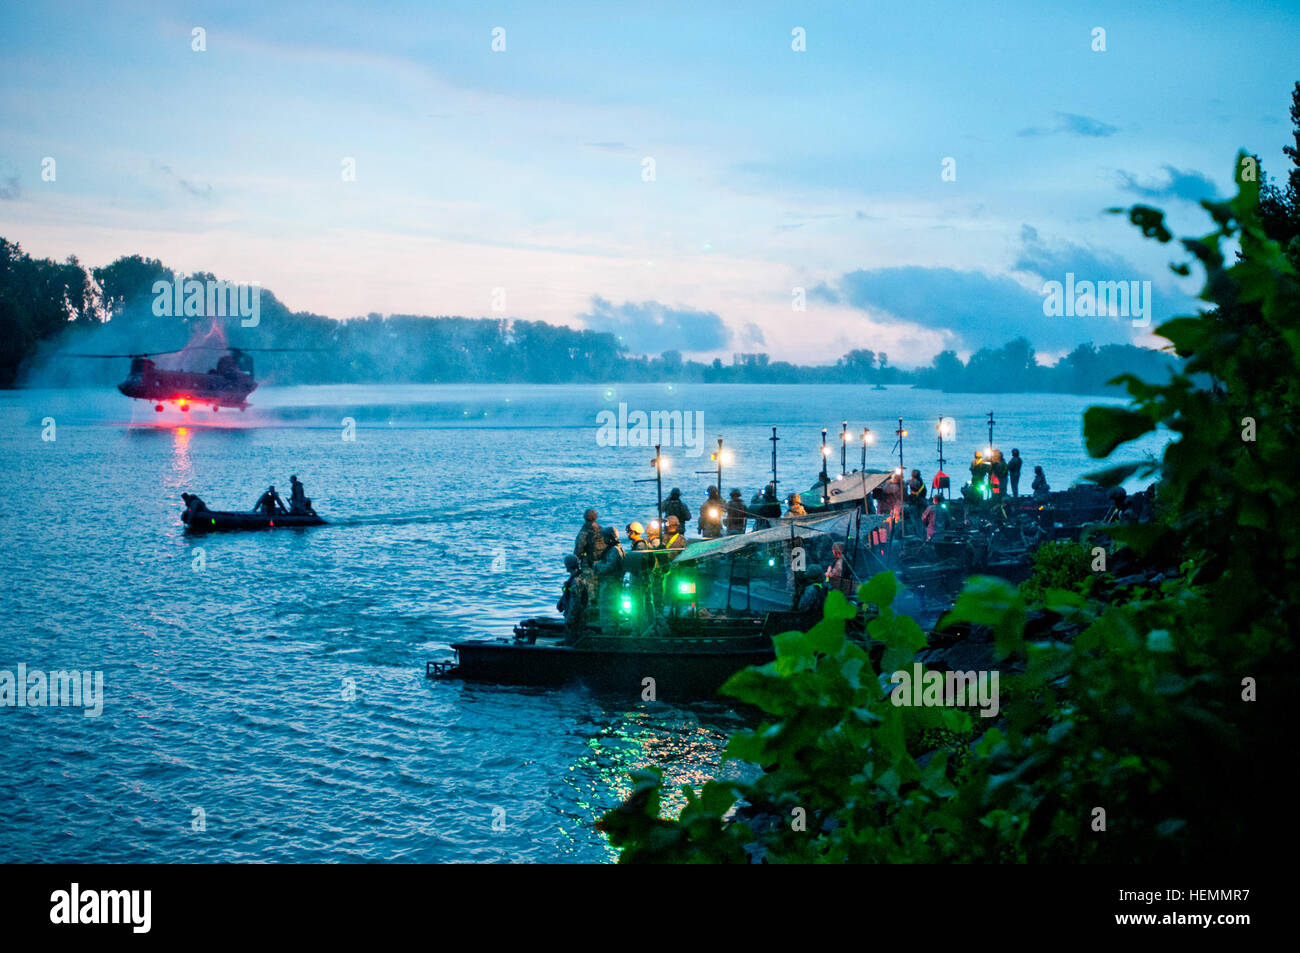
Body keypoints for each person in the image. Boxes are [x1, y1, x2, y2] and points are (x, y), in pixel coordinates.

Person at [557, 555, 588, 642]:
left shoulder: (576, 580)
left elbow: (575, 601)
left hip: (576, 616)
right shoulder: (574, 578)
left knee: (572, 637)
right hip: (571, 612)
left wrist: (570, 618)